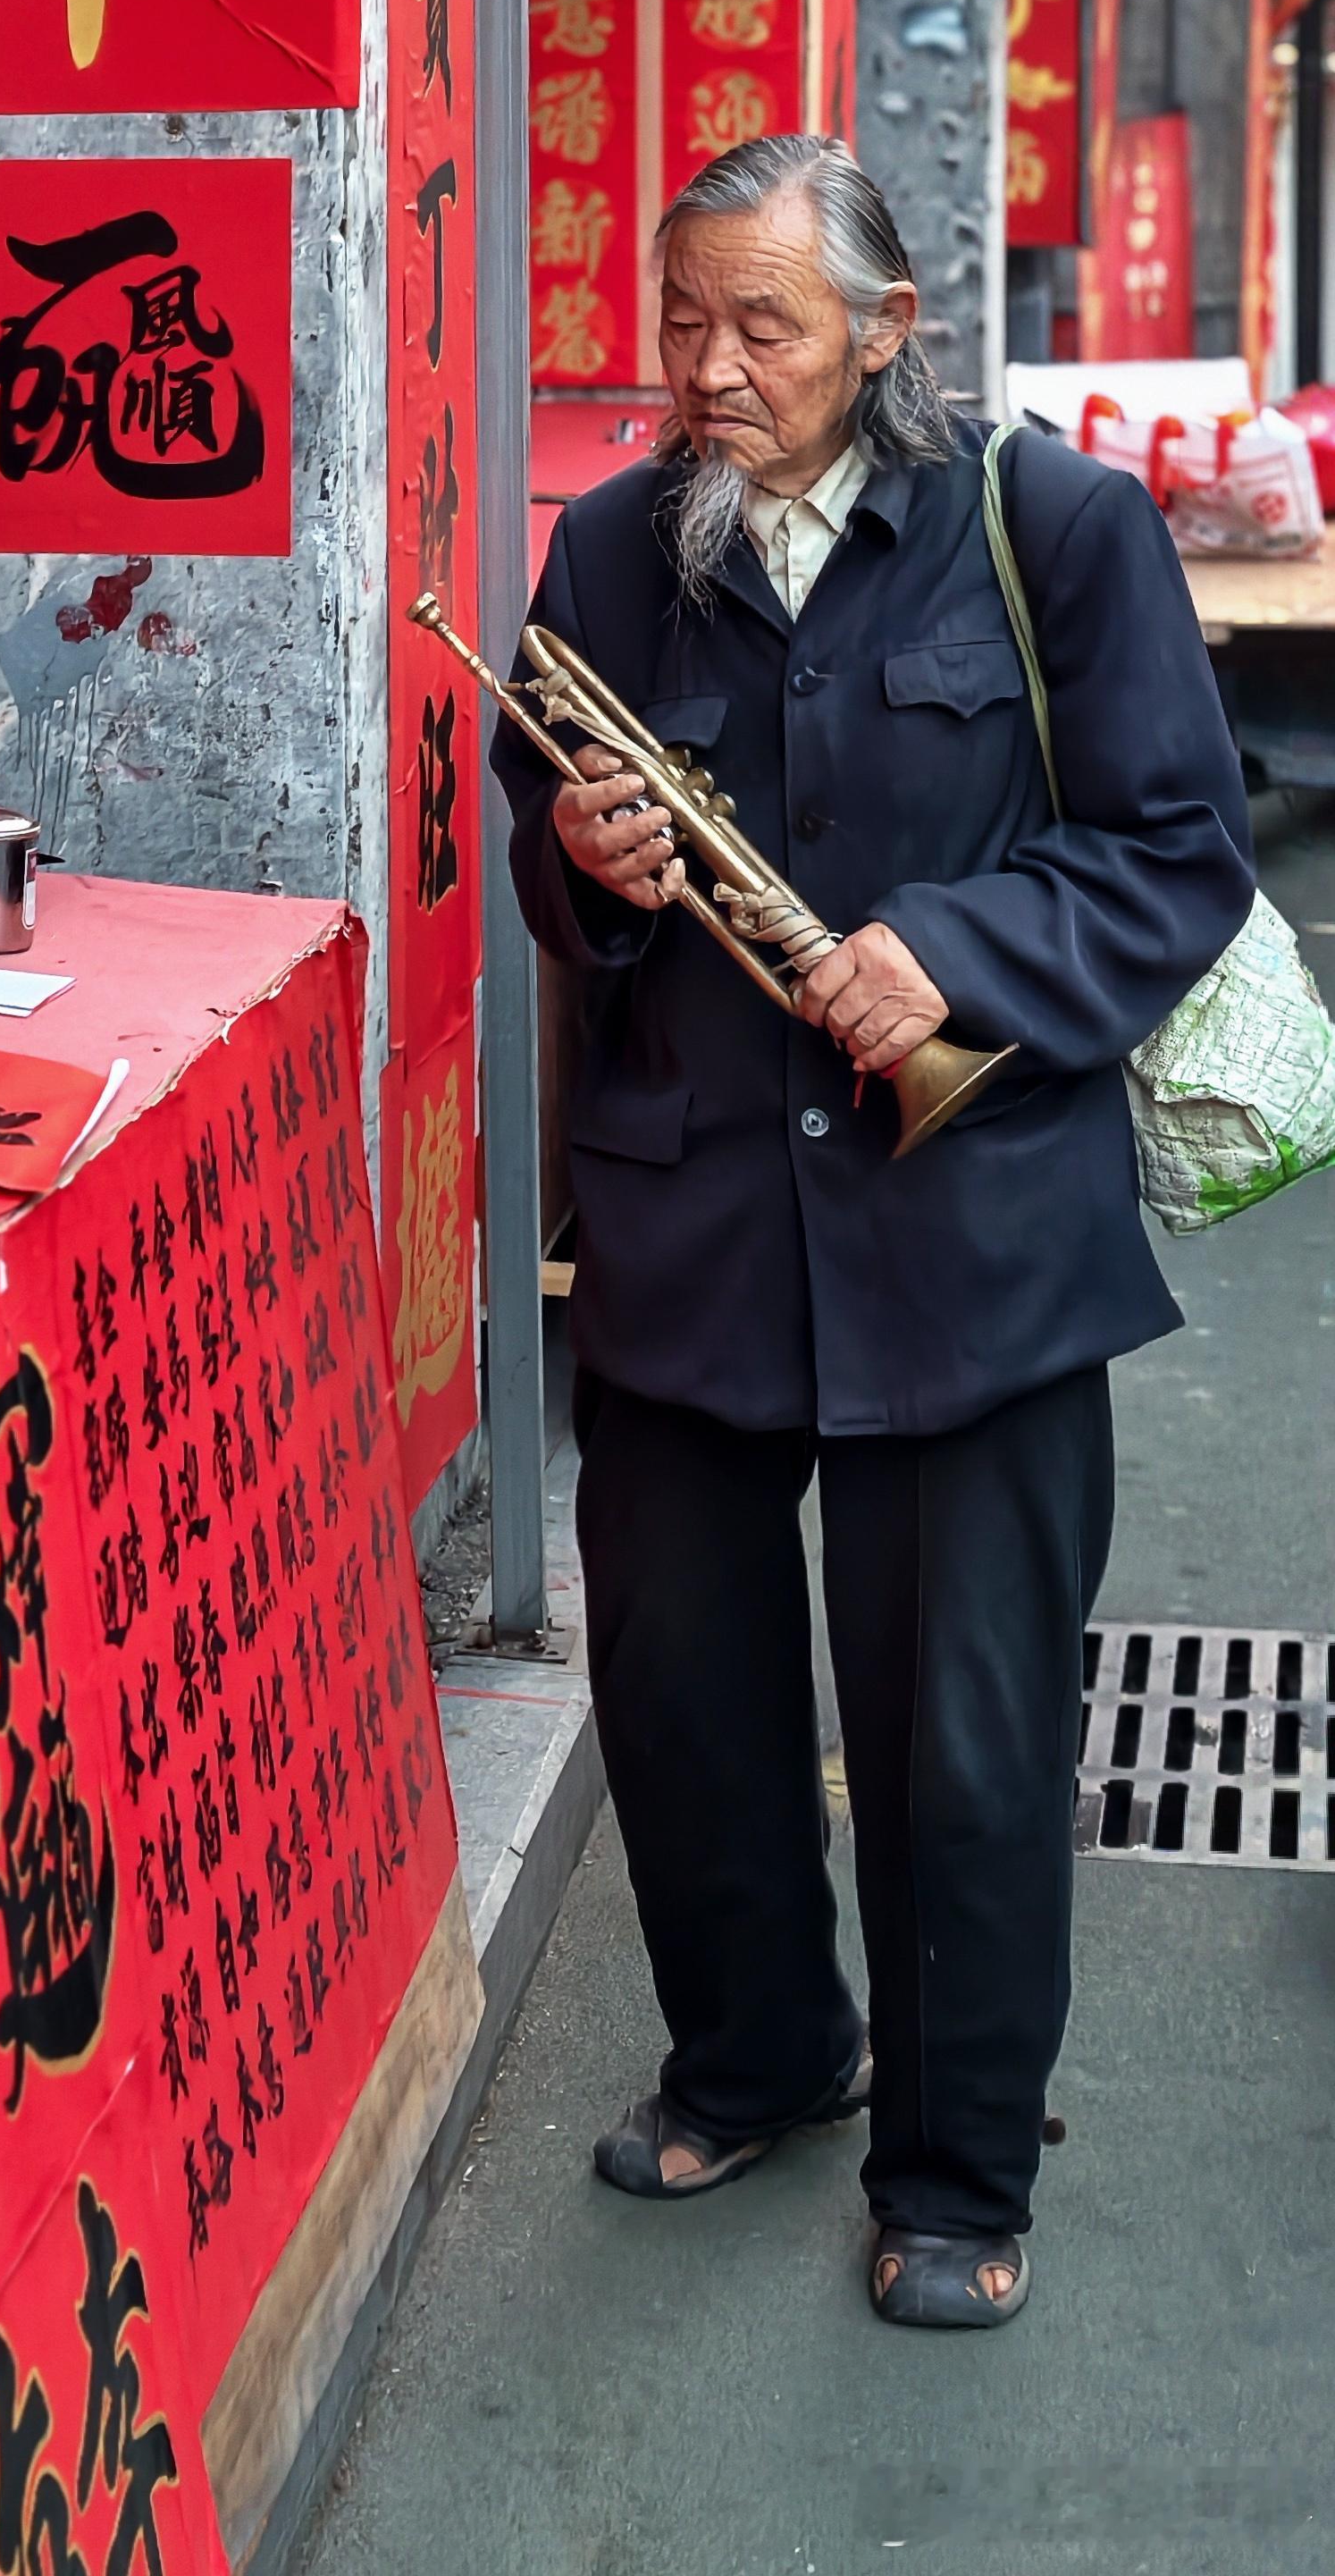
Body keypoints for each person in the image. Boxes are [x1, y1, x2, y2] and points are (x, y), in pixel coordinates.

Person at [490, 134, 1253, 2332]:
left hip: (967, 1233)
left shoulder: (1052, 528)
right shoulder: (611, 549)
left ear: (886, 328)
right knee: (681, 1695)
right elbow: (535, 839)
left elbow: (1175, 844)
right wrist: (583, 862)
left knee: (964, 1738)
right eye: (681, 323)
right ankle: (758, 2056)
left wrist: (957, 951)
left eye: (765, 325)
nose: (711, 370)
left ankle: (951, 2165)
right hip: (693, 1229)